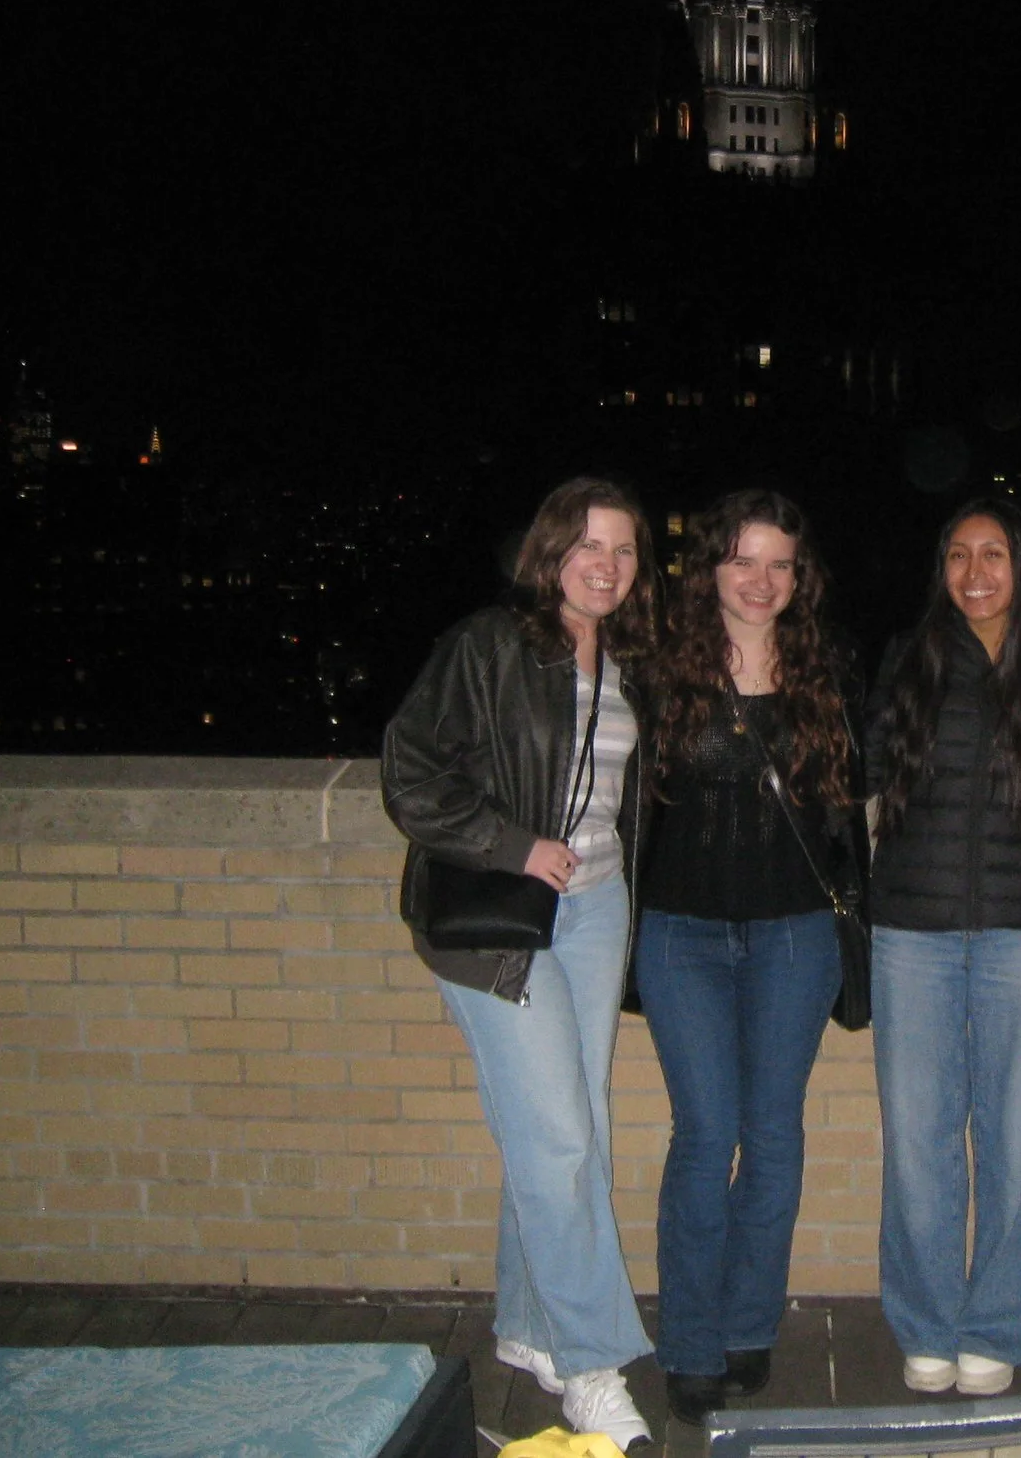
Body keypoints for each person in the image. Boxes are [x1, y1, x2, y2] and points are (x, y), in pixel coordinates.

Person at [381, 477, 660, 1451]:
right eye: (588, 545)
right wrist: (510, 844)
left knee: (567, 1135)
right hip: (502, 919)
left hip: (596, 913)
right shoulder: (489, 645)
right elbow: (410, 772)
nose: (607, 565)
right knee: (560, 1144)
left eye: (624, 550)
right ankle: (591, 1365)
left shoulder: (628, 658)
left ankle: (529, 1328)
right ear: (549, 551)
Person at [635, 490, 865, 1427]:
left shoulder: (833, 666)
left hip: (794, 932)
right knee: (705, 1133)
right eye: (742, 560)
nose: (761, 581)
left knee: (772, 1135)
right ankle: (689, 1343)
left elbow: (868, 793)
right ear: (709, 571)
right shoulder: (654, 667)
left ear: (800, 574)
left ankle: (747, 1328)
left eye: (779, 563)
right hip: (681, 931)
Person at [864, 498, 1021, 1397]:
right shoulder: (911, 652)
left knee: (1016, 1135)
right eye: (958, 554)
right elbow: (865, 765)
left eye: (993, 553)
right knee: (920, 1138)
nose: (975, 572)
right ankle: (926, 1323)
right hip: (912, 931)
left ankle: (995, 1323)